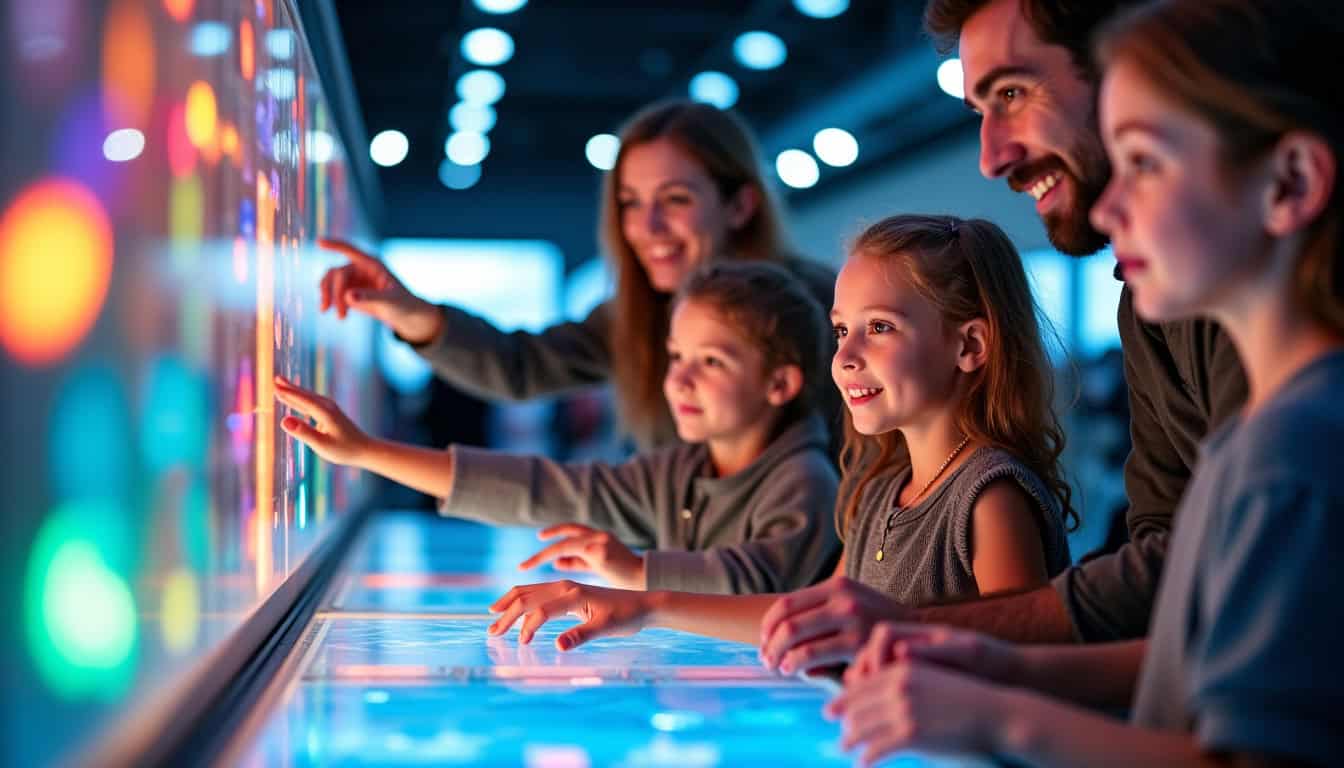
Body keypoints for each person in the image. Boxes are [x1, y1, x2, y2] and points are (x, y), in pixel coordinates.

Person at [830, 2, 1344, 764]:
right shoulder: (1248, 430)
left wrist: (1005, 714)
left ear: (1290, 180)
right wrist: (1012, 669)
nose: (1109, 204)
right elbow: (1200, 642)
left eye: (1144, 160)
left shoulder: (1294, 447)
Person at [756, 0, 1251, 668]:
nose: (990, 159)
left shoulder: (988, 491)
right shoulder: (1146, 305)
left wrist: (966, 662)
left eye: (1013, 92)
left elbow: (1244, 587)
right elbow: (1168, 546)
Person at [486, 214, 1072, 652]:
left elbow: (1020, 662)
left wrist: (645, 593)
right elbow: (810, 613)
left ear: (969, 345)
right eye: (842, 329)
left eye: (879, 327)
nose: (844, 356)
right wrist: (643, 606)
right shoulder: (878, 491)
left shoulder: (990, 497)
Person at [277, 262, 839, 594]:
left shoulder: (806, 480)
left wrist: (638, 573)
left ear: (781, 384)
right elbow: (541, 488)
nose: (680, 381)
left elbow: (760, 581)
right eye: (676, 357)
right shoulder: (679, 469)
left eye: (712, 362)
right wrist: (366, 451)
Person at [316, 100, 836, 451]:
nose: (647, 227)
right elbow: (521, 366)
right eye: (631, 203)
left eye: (675, 199)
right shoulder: (635, 314)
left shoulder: (822, 308)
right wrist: (409, 311)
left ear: (740, 205)